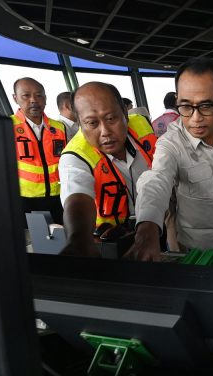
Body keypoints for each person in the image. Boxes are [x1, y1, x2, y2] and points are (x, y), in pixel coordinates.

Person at [128, 58, 213, 261]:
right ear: (177, 100)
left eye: (206, 106)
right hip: (196, 245)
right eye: (185, 106)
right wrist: (147, 226)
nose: (195, 118)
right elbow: (157, 180)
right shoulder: (170, 143)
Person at [58, 82, 156, 256]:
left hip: (155, 226)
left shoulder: (142, 125)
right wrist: (80, 238)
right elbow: (77, 197)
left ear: (125, 113)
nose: (105, 131)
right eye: (92, 123)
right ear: (80, 123)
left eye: (111, 118)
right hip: (113, 240)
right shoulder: (75, 156)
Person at [11, 77, 67, 224]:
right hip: (26, 200)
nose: (33, 100)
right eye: (26, 96)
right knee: (38, 244)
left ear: (45, 99)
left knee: (65, 240)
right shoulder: (7, 126)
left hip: (58, 198)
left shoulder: (59, 128)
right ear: (15, 98)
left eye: (39, 95)